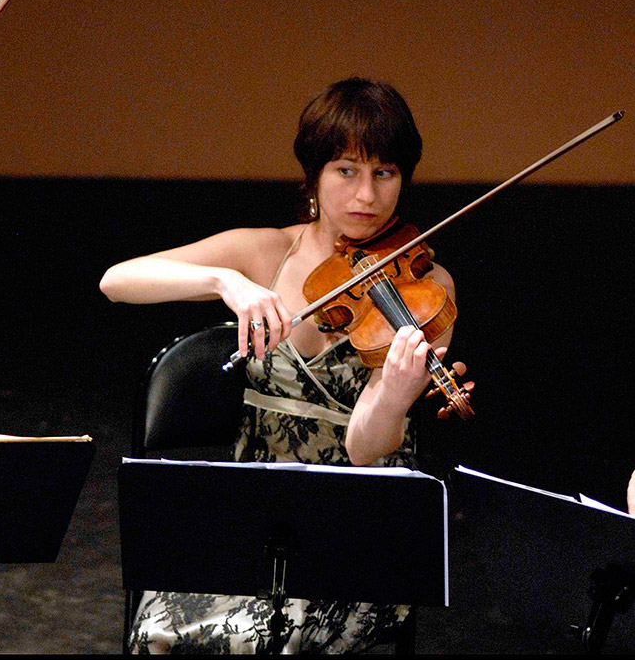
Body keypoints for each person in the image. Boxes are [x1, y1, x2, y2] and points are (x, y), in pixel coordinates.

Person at [99, 77, 454, 653]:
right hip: (249, 526)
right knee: (159, 631)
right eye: (346, 170)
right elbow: (116, 282)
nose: (366, 195)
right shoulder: (266, 252)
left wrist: (394, 393)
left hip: (356, 535)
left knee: (261, 642)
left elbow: (366, 450)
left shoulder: (423, 287)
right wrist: (223, 279)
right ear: (313, 174)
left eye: (384, 173)